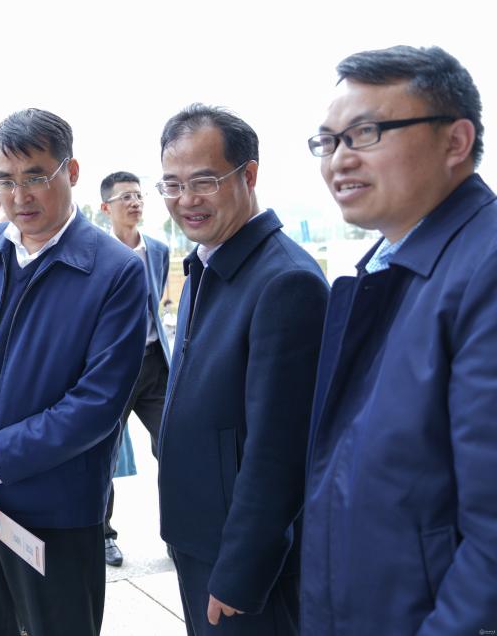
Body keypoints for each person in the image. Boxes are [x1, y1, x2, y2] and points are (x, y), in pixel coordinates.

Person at [0, 108, 148, 636]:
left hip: (55, 510)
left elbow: (96, 404)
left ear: (72, 172)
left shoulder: (115, 270)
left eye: (35, 176)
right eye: (5, 180)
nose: (18, 195)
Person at [302, 45, 497, 633]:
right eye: (328, 141)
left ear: (455, 141)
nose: (340, 159)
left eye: (365, 133)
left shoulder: (483, 270)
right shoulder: (390, 265)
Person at [156, 105, 329, 635]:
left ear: (248, 175)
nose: (186, 199)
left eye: (203, 181)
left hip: (244, 565)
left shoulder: (285, 282)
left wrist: (241, 572)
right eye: (172, 184)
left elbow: (279, 453)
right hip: (199, 540)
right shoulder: (208, 263)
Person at [97, 170, 172, 567]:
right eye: (125, 197)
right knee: (103, 455)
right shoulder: (96, 252)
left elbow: (156, 303)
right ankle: (103, 536)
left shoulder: (158, 249)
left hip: (155, 363)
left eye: (139, 195)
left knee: (175, 448)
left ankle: (179, 532)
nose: (135, 202)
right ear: (105, 207)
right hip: (113, 369)